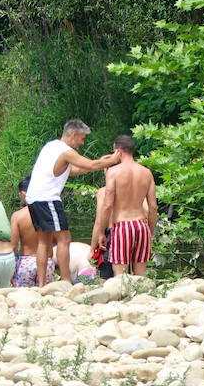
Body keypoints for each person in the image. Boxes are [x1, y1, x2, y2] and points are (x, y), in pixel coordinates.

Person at [26, 119, 122, 285]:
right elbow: (92, 165)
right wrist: (112, 160)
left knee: (44, 241)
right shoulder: (66, 151)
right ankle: (65, 280)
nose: (83, 142)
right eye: (82, 138)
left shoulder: (51, 146)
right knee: (65, 239)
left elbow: (74, 170)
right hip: (48, 198)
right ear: (74, 134)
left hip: (34, 198)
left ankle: (42, 283)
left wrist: (102, 162)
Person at [93, 135, 158, 276]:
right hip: (141, 226)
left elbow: (107, 205)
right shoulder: (146, 173)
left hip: (122, 226)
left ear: (118, 151)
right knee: (140, 277)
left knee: (120, 278)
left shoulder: (114, 172)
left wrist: (101, 233)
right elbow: (153, 207)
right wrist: (150, 232)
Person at [10, 178, 52, 288]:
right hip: (47, 262)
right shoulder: (50, 214)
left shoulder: (18, 216)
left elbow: (13, 246)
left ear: (23, 193)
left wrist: (10, 270)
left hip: (26, 262)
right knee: (44, 296)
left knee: (23, 298)